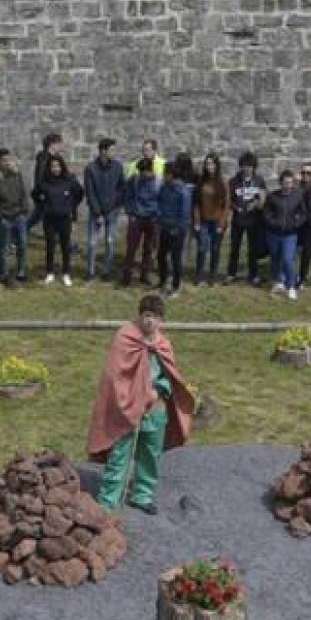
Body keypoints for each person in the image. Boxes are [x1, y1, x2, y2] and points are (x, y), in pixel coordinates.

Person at [87, 294, 196, 515]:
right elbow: (114, 375)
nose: (150, 322)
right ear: (139, 316)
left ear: (161, 320)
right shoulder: (125, 338)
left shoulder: (164, 344)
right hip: (127, 409)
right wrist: (134, 396)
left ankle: (142, 495)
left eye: (155, 317)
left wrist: (159, 389)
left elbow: (171, 375)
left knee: (151, 453)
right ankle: (109, 501)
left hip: (156, 408)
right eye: (146, 316)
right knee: (120, 455)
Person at [0, 147, 31, 286]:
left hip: (19, 216)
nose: (7, 162)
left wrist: (24, 211)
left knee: (22, 244)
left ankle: (21, 271)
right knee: (4, 248)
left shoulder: (17, 174)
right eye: (4, 160)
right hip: (4, 217)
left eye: (9, 160)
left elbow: (24, 193)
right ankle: (4, 274)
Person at [37, 154, 84, 285]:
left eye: (57, 166)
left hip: (65, 219)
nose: (55, 169)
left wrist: (71, 207)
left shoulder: (69, 181)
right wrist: (43, 207)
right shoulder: (44, 182)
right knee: (50, 246)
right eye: (53, 166)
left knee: (65, 247)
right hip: (50, 219)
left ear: (62, 167)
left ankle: (66, 273)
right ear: (49, 168)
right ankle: (50, 272)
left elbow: (79, 194)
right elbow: (35, 194)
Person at [83, 137, 124, 282]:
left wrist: (116, 204)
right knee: (92, 242)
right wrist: (97, 212)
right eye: (112, 150)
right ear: (103, 151)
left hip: (112, 210)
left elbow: (121, 187)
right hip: (96, 211)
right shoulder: (91, 168)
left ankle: (106, 270)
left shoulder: (118, 167)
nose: (114, 152)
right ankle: (90, 270)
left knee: (110, 241)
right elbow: (90, 191)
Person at [155, 154, 196, 296]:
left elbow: (185, 213)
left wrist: (177, 228)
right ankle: (162, 281)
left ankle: (176, 286)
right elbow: (159, 201)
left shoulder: (183, 191)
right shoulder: (164, 187)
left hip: (177, 230)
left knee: (175, 258)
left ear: (171, 175)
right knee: (161, 256)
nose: (163, 176)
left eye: (165, 174)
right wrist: (160, 217)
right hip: (165, 226)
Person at [264, 169, 308, 300]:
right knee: (275, 258)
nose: (289, 185)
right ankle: (278, 282)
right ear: (280, 183)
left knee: (288, 260)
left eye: (291, 183)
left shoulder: (297, 196)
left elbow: (304, 214)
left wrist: (296, 224)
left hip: (290, 234)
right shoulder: (272, 197)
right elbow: (266, 214)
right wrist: (274, 223)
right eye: (286, 183)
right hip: (273, 234)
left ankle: (291, 286)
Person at [118, 156, 161, 289]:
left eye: (145, 172)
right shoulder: (135, 180)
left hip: (152, 218)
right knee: (131, 248)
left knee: (148, 249)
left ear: (150, 170)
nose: (143, 175)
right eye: (140, 172)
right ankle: (127, 277)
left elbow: (162, 200)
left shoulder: (158, 182)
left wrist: (157, 216)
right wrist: (130, 212)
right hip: (136, 217)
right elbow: (127, 196)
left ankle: (144, 275)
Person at [227, 152, 268, 287]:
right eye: (244, 166)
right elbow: (229, 200)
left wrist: (255, 204)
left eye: (250, 166)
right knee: (235, 247)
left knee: (253, 249)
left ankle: (253, 275)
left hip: (254, 220)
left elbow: (263, 198)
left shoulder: (260, 180)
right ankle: (231, 274)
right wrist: (235, 207)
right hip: (238, 220)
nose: (247, 169)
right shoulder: (234, 181)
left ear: (254, 167)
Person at [193, 153, 230, 285]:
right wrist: (197, 221)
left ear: (217, 165)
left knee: (215, 248)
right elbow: (196, 203)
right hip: (203, 220)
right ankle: (199, 275)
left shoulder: (223, 182)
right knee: (202, 248)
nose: (209, 166)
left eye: (212, 164)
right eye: (207, 163)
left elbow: (226, 205)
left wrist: (222, 223)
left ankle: (212, 276)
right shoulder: (201, 181)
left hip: (217, 221)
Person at [28, 132, 67, 233]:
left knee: (39, 217)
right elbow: (40, 178)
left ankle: (14, 235)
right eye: (59, 143)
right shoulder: (44, 158)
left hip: (49, 193)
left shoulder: (52, 157)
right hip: (45, 194)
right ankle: (14, 235)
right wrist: (43, 192)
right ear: (52, 144)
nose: (62, 145)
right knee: (37, 217)